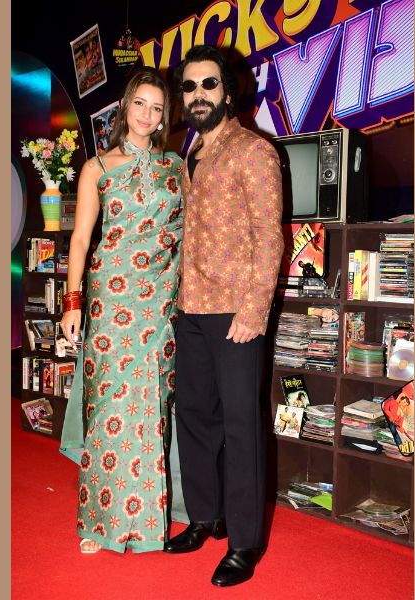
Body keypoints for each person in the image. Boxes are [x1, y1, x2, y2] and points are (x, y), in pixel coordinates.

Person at [162, 45, 284, 587]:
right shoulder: (189, 154)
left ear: (228, 93)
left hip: (236, 311)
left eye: (208, 84)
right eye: (189, 87)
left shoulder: (252, 151)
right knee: (194, 416)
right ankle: (204, 517)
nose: (198, 95)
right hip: (190, 308)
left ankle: (244, 542)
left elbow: (270, 236)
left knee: (240, 425)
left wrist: (254, 310)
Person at [59, 67, 184, 555]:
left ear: (165, 116)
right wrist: (72, 303)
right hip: (111, 301)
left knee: (152, 405)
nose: (147, 115)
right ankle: (99, 522)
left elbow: (190, 234)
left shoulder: (176, 167)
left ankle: (151, 520)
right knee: (110, 404)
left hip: (161, 302)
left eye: (157, 108)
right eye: (140, 104)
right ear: (125, 106)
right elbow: (80, 239)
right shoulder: (98, 167)